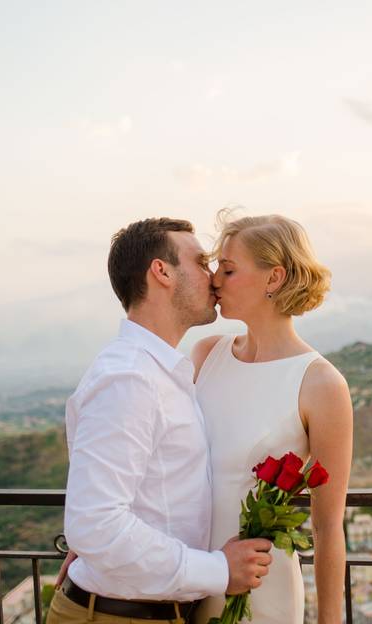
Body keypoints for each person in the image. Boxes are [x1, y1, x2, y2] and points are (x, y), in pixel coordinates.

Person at [48, 217, 274, 624]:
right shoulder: (129, 379)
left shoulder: (163, 374)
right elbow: (95, 522)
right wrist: (219, 571)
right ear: (162, 271)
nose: (212, 277)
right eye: (202, 262)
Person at [191, 212, 353, 624]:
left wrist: (330, 622)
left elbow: (328, 526)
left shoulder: (321, 384)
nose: (214, 281)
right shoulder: (206, 354)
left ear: (274, 278)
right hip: (190, 579)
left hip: (265, 592)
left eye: (228, 270)